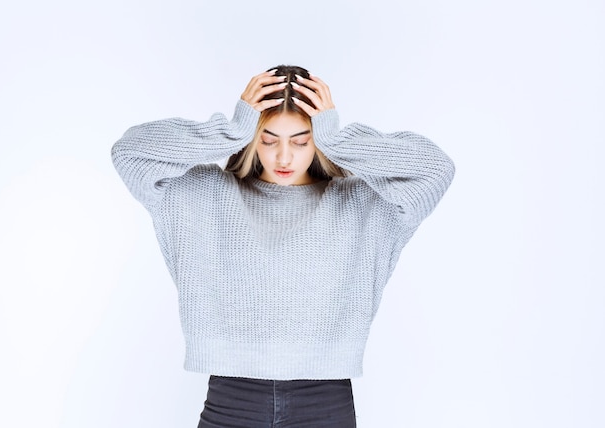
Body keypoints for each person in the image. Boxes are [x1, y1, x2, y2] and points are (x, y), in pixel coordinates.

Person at [112, 65, 455, 427]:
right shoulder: (204, 195)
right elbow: (130, 153)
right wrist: (232, 130)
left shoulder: (362, 205)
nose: (284, 157)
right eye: (269, 139)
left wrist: (338, 139)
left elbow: (436, 170)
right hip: (232, 399)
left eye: (302, 140)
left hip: (326, 401)